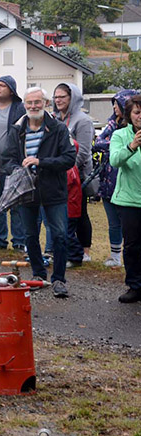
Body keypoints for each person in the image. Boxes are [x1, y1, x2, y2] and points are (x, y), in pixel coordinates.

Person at [2, 87, 76, 297]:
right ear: (24, 105)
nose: (33, 106)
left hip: (53, 190)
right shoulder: (16, 129)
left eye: (38, 102)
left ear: (46, 103)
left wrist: (41, 162)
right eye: (29, 103)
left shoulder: (59, 128)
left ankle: (59, 279)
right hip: (27, 190)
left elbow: (69, 158)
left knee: (60, 235)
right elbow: (6, 160)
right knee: (29, 235)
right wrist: (18, 170)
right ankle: (37, 274)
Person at [94, 89, 138, 268]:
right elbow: (99, 143)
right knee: (115, 222)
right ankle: (115, 255)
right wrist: (119, 146)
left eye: (117, 103)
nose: (114, 107)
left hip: (132, 183)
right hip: (111, 178)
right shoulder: (115, 126)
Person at [53, 83, 94, 267]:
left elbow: (84, 151)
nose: (58, 100)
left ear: (73, 98)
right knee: (64, 216)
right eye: (56, 97)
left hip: (78, 176)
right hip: (59, 175)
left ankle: (82, 252)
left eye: (63, 96)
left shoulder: (82, 120)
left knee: (79, 215)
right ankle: (66, 250)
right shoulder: (55, 119)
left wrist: (66, 168)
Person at [0, 76, 27, 252]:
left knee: (15, 204)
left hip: (11, 164)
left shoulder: (19, 108)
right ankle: (0, 239)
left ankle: (19, 241)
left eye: (2, 85)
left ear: (11, 90)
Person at [107, 93, 141, 303]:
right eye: (137, 112)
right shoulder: (121, 135)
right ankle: (135, 285)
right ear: (130, 115)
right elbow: (115, 160)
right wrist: (132, 146)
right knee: (132, 245)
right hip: (129, 200)